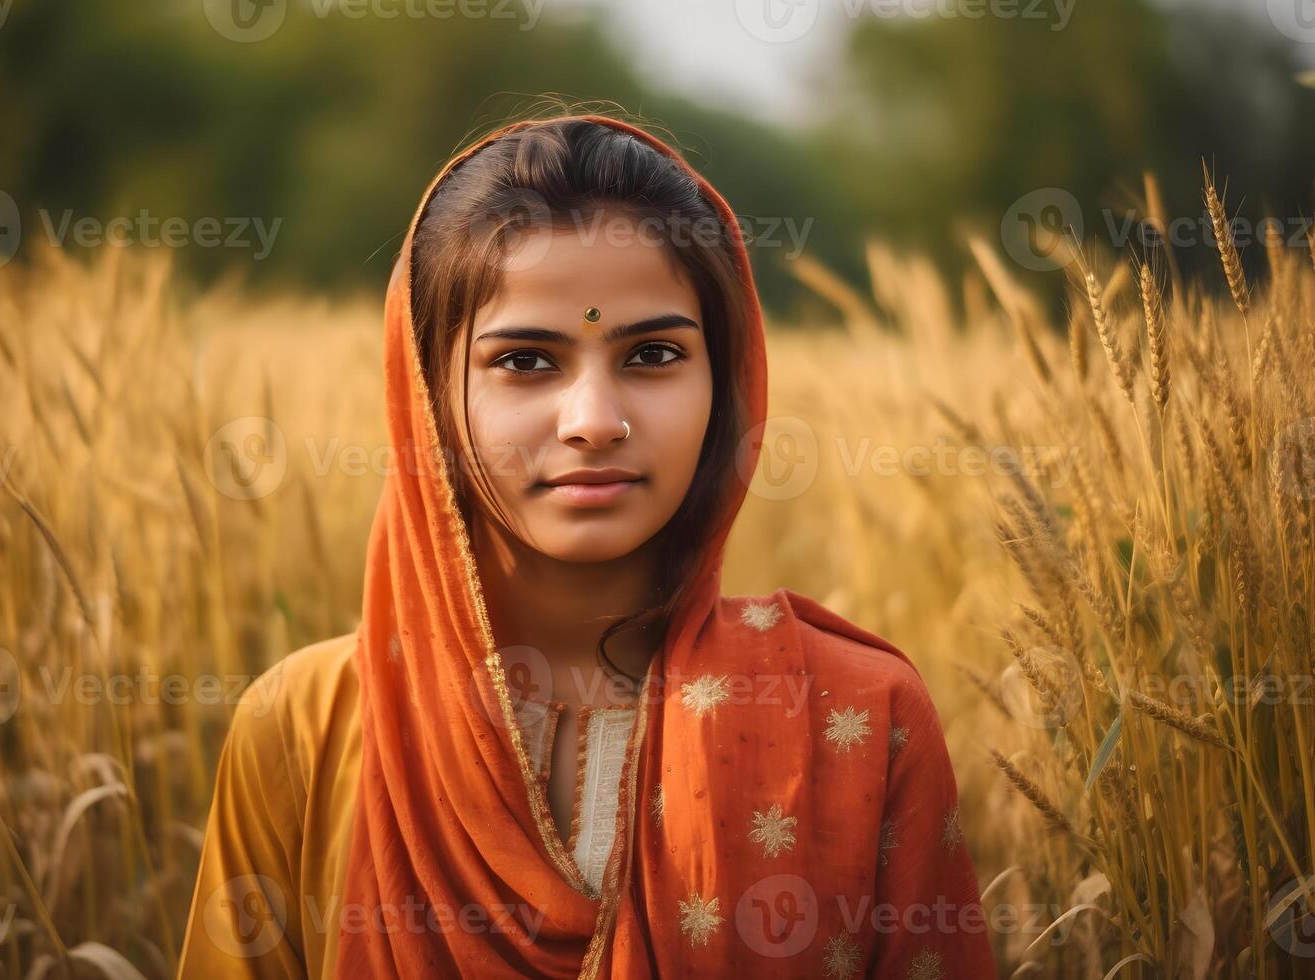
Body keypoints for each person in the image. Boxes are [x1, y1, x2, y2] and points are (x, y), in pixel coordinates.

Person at [176, 112, 997, 978]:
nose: (595, 423)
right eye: (526, 362)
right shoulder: (304, 727)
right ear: (427, 394)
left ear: (726, 380)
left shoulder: (859, 719)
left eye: (652, 353)